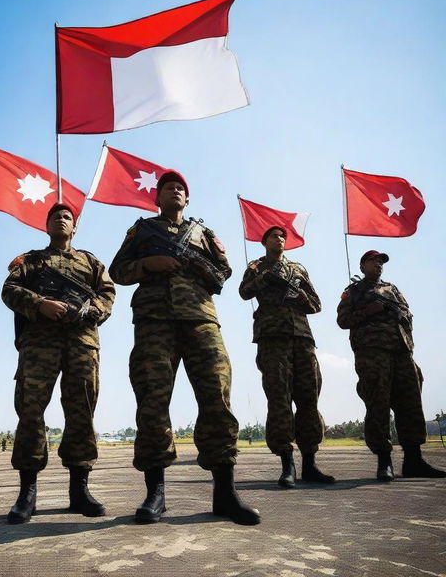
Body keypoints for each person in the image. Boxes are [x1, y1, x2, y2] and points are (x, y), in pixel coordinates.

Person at [109, 171, 260, 525]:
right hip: (154, 321)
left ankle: (225, 492)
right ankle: (155, 494)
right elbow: (118, 270)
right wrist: (148, 264)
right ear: (156, 197)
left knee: (217, 398)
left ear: (187, 200)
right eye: (167, 187)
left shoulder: (203, 234)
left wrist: (200, 268)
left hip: (200, 320)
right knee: (152, 400)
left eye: (181, 188)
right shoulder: (141, 231)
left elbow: (223, 272)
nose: (175, 190)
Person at [2, 203, 115, 524]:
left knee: (82, 410)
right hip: (39, 341)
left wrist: (90, 310)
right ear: (46, 225)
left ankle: (80, 489)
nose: (61, 220)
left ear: (75, 227)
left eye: (67, 217)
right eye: (56, 216)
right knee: (30, 410)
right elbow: (8, 290)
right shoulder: (31, 260)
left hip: (82, 341)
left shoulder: (91, 262)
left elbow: (107, 294)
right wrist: (41, 305)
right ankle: (27, 494)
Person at [239, 226, 334, 489]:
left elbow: (316, 304)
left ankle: (310, 464)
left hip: (302, 337)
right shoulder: (257, 266)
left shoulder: (298, 270)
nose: (279, 239)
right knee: (279, 398)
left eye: (282, 236)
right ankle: (287, 465)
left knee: (309, 398)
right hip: (272, 337)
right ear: (265, 241)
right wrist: (264, 279)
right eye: (273, 236)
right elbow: (244, 292)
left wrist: (301, 296)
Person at [337, 250, 445, 481]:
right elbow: (342, 321)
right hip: (372, 353)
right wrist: (368, 311)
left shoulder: (392, 289)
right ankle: (384, 461)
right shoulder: (353, 291)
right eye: (373, 261)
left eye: (381, 262)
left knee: (411, 403)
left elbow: (407, 314)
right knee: (378, 403)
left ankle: (413, 460)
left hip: (402, 351)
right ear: (362, 265)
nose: (378, 264)